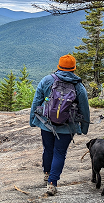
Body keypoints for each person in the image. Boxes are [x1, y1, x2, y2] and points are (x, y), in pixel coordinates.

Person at [29, 54, 90, 196]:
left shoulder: (47, 80)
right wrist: (83, 128)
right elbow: (85, 109)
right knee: (60, 153)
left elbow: (36, 101)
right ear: (74, 68)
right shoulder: (78, 86)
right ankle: (52, 183)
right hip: (67, 127)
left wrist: (33, 120)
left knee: (48, 149)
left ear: (59, 66)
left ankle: (47, 173)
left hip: (46, 124)